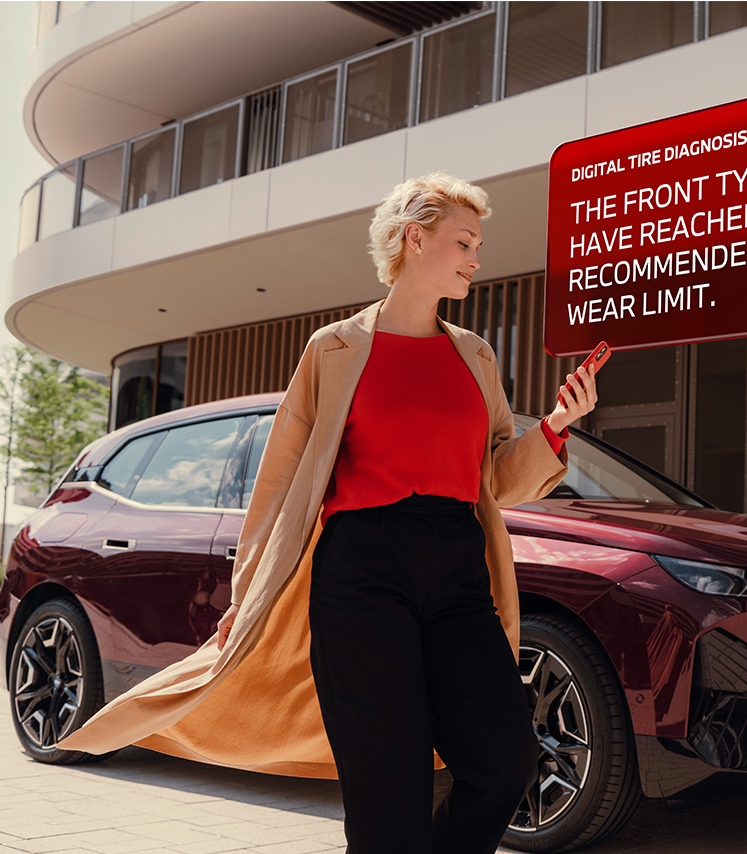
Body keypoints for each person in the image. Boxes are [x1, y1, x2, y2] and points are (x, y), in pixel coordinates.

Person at [57, 172, 599, 853]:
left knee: (504, 759)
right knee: (387, 789)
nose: (475, 258)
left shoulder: (476, 355)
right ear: (414, 238)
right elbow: (281, 483)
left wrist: (552, 425)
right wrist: (246, 593)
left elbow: (496, 476)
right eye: (464, 241)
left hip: (459, 571)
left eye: (477, 244)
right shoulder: (334, 349)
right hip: (362, 573)